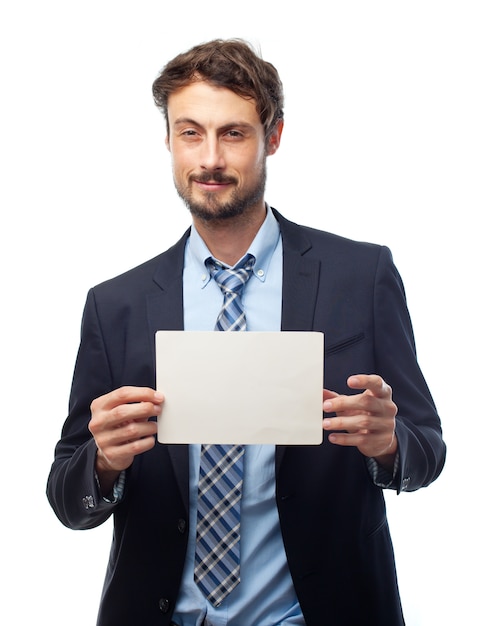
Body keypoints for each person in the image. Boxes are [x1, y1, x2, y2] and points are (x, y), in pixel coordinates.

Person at [47, 39, 446, 626]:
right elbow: (67, 496)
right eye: (190, 132)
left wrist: (388, 444)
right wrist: (103, 461)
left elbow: (427, 450)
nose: (209, 158)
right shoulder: (116, 305)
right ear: (168, 140)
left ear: (273, 137)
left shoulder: (361, 277)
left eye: (233, 133)